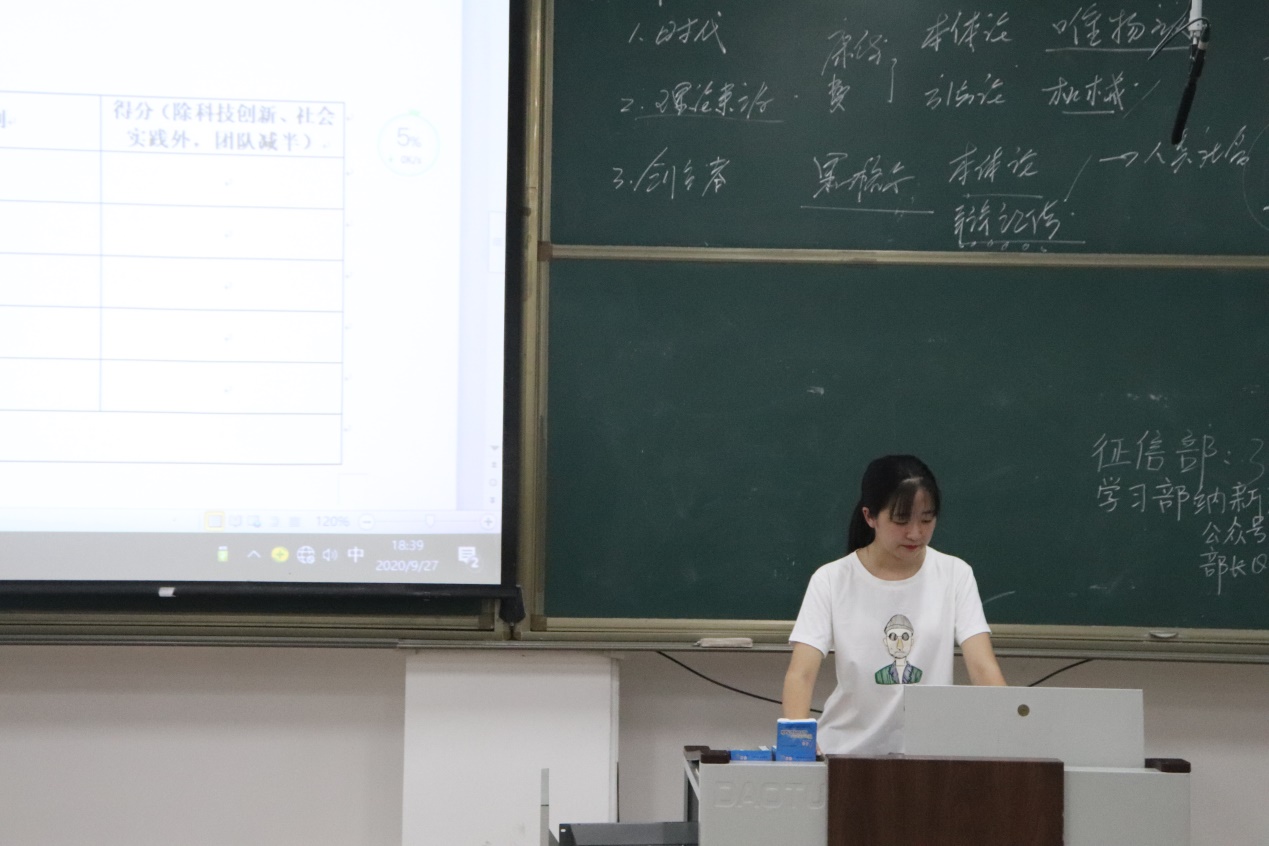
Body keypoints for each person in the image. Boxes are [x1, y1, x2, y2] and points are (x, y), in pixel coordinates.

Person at [782, 454, 1006, 755]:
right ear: (870, 516)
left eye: (926, 519)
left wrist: (1011, 737)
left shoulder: (955, 574)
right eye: (901, 520)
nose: (915, 533)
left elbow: (983, 668)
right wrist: (800, 747)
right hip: (846, 755)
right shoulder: (832, 579)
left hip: (929, 757)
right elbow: (801, 674)